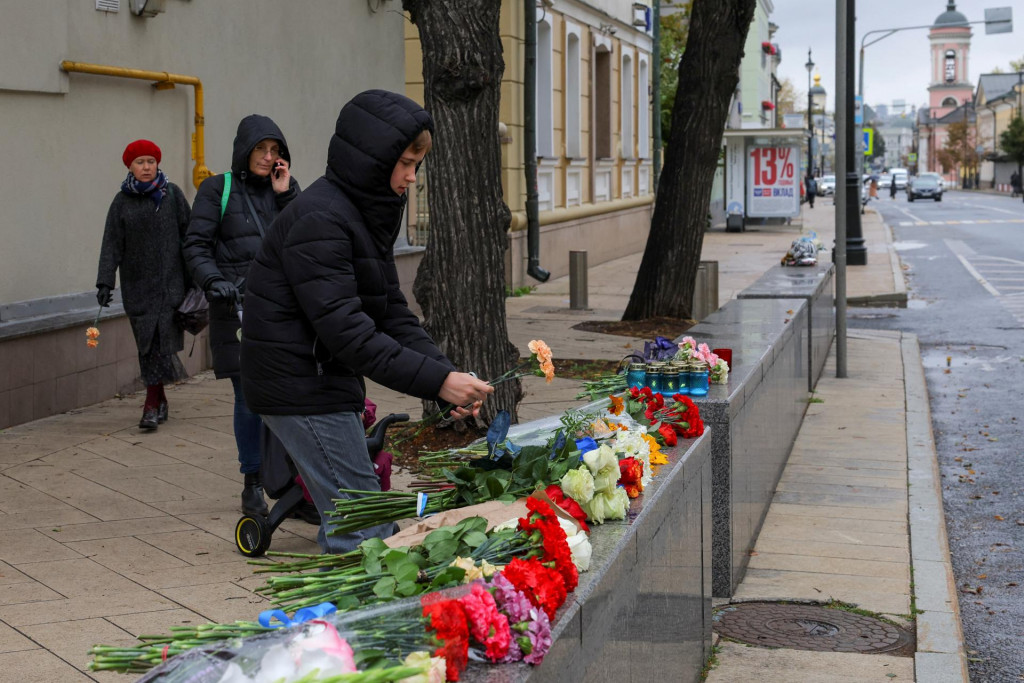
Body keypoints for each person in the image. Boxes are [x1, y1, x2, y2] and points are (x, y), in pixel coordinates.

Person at [240, 90, 494, 554]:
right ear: (373, 159)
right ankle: (348, 624)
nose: (412, 177)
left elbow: (391, 312)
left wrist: (447, 375)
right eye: (405, 163)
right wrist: (438, 382)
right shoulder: (321, 218)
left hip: (317, 380)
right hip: (299, 387)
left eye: (418, 164)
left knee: (364, 523)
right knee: (363, 534)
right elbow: (351, 333)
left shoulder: (359, 212)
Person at [182, 115, 300, 517]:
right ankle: (252, 480)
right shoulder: (218, 189)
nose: (268, 158)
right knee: (248, 397)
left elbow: (305, 240)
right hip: (237, 310)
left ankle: (288, 476)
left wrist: (285, 194)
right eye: (261, 150)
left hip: (284, 310)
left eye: (275, 151)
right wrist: (214, 280)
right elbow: (195, 245)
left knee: (287, 395)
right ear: (244, 151)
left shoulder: (285, 190)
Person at [97, 140, 192, 430]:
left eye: (151, 161)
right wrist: (105, 281)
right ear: (130, 166)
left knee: (160, 346)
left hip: (171, 286)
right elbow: (111, 243)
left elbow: (191, 236)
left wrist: (200, 275)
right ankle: (159, 398)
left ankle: (151, 405)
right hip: (137, 287)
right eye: (140, 162)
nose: (147, 167)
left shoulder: (172, 195)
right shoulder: (121, 202)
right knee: (148, 346)